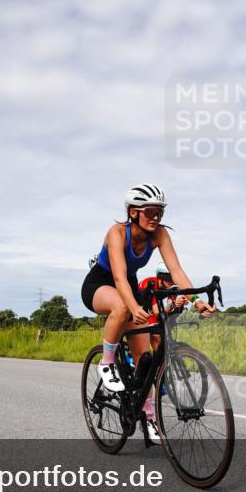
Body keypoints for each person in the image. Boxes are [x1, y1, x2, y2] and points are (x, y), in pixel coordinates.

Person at [81, 184, 207, 443]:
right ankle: (107, 363)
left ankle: (149, 418)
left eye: (159, 212)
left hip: (127, 286)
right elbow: (118, 276)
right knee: (122, 306)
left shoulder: (159, 234)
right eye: (150, 211)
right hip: (100, 285)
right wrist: (134, 307)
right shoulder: (117, 233)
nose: (155, 217)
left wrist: (196, 301)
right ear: (133, 212)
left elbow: (177, 272)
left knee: (144, 360)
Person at [138, 262, 215, 351]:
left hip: (152, 311)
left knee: (166, 337)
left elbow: (189, 294)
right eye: (168, 279)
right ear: (160, 278)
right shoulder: (149, 283)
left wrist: (200, 307)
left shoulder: (171, 286)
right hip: (139, 309)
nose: (171, 282)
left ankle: (162, 361)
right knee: (156, 336)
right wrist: (174, 304)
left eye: (173, 279)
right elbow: (157, 312)